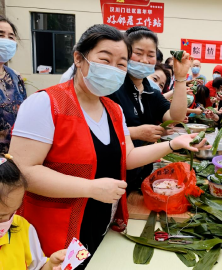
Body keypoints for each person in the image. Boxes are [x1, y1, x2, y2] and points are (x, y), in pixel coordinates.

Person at [9, 24, 208, 265]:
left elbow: (128, 156)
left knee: (89, 263)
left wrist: (174, 144)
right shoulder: (46, 103)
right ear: (79, 59)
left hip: (98, 224)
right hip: (56, 231)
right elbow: (23, 171)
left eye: (121, 64)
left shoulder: (113, 110)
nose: (113, 69)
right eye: (105, 60)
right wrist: (90, 188)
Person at [108, 26, 190, 194]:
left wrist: (181, 78)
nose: (144, 60)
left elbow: (175, 117)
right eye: (138, 53)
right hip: (111, 174)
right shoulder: (111, 87)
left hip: (138, 173)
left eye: (151, 55)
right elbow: (97, 130)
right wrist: (135, 132)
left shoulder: (150, 91)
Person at [0, 154, 67, 270]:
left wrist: (50, 265)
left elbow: (36, 267)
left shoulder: (22, 228)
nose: (8, 221)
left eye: (14, 211)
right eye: (1, 216)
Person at [0, 16, 27, 154]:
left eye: (11, 37)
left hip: (13, 156)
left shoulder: (15, 77)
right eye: (1, 35)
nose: (6, 40)